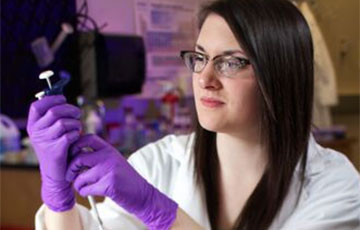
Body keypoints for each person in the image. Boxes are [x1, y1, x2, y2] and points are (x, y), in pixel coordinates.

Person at [28, 0, 360, 229]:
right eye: (200, 58)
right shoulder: (160, 163)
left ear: (280, 74)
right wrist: (58, 194)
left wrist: (159, 212)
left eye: (230, 62)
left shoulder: (337, 188)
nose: (204, 79)